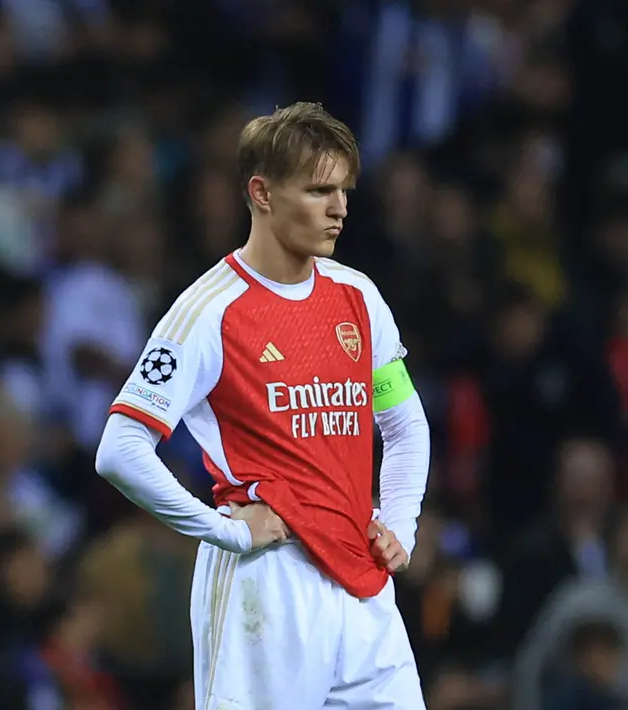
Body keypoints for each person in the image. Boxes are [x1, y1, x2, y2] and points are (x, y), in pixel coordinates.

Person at [93, 102, 430, 709]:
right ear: (262, 193)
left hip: (362, 583)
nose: (339, 209)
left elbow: (405, 425)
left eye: (345, 191)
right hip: (267, 581)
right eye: (319, 190)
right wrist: (220, 528)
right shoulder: (208, 310)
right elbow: (119, 449)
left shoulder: (358, 296)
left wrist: (400, 524)